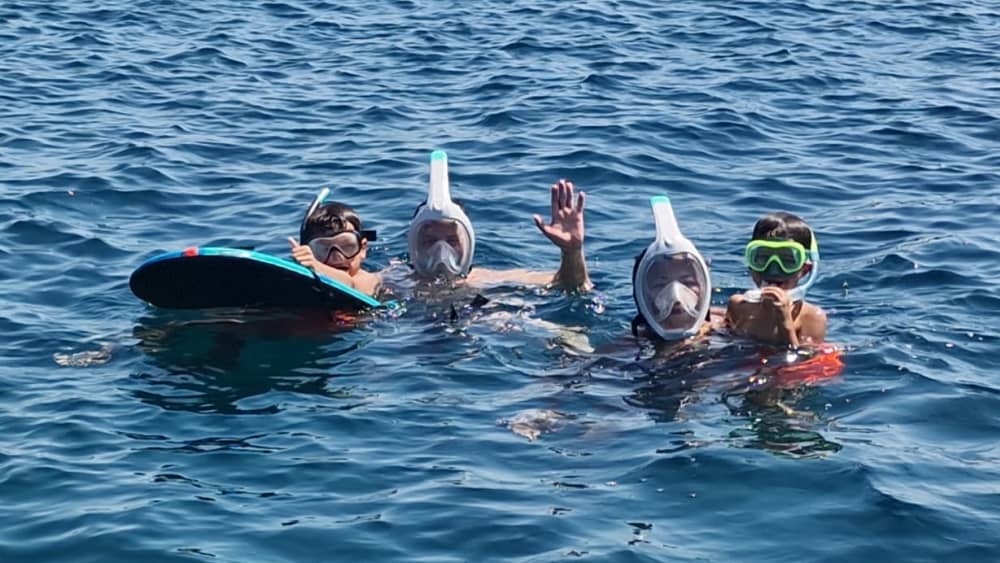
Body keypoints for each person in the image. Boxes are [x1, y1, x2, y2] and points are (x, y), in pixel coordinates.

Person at [406, 151, 591, 292]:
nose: (442, 252)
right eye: (430, 241)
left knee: (569, 335)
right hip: (412, 335)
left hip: (480, 324)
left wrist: (571, 252)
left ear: (469, 245)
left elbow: (571, 286)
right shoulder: (392, 281)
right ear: (413, 247)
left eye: (452, 241)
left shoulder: (487, 280)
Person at [725, 212, 827, 348]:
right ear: (750, 265)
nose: (773, 269)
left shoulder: (812, 317)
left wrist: (785, 322)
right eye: (762, 258)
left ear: (805, 270)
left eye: (787, 260)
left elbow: (801, 364)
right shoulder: (737, 306)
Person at [287, 188, 381, 297]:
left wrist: (315, 265)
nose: (336, 258)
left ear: (363, 248)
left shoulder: (370, 279)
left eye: (346, 246)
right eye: (323, 248)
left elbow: (350, 284)